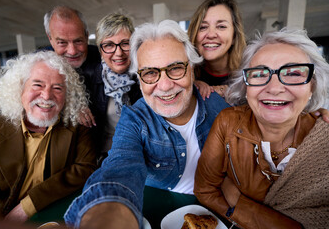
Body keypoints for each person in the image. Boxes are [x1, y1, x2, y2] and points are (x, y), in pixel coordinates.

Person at [63, 20, 230, 229]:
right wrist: (106, 214)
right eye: (150, 73)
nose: (165, 85)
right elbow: (120, 167)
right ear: (139, 79)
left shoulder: (219, 108)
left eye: (176, 68)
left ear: (192, 70)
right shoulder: (134, 118)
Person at [194, 28, 329, 229]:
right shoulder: (228, 122)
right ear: (246, 87)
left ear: (312, 85)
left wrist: (237, 201)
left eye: (292, 73)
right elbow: (205, 189)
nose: (274, 88)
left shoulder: (324, 141)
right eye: (259, 74)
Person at [0, 51, 97, 223]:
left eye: (57, 88)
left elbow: (86, 168)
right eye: (37, 85)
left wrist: (27, 206)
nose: (46, 96)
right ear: (20, 88)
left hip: (60, 215)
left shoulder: (77, 125)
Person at [0, 5, 101, 151]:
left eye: (78, 41)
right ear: (50, 38)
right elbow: (11, 95)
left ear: (87, 35)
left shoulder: (103, 60)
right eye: (62, 42)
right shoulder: (39, 62)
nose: (72, 51)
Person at [85, 12, 142, 156]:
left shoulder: (146, 74)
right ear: (100, 50)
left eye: (125, 43)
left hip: (141, 150)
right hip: (105, 154)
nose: (118, 53)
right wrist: (76, 106)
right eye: (109, 45)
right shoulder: (88, 79)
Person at [187, 0, 246, 98]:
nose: (211, 34)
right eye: (203, 27)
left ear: (234, 36)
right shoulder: (185, 73)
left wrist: (228, 90)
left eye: (221, 26)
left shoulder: (248, 72)